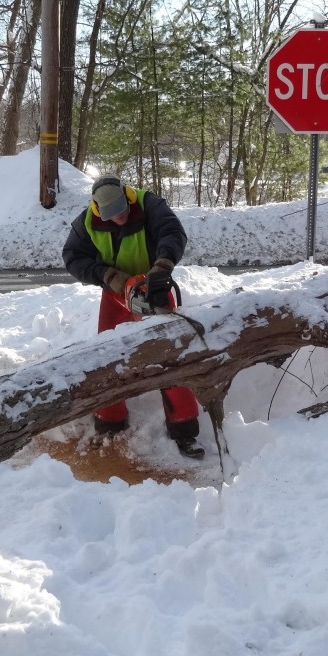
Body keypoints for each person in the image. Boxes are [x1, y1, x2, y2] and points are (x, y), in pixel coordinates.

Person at [63, 176, 205, 459]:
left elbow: (172, 232)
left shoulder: (149, 204)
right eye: (112, 216)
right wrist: (108, 276)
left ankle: (184, 429)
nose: (119, 219)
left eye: (122, 212)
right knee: (108, 356)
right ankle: (110, 420)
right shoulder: (87, 222)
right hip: (115, 291)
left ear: (127, 200)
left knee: (170, 356)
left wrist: (163, 265)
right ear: (97, 209)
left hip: (154, 287)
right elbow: (73, 257)